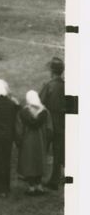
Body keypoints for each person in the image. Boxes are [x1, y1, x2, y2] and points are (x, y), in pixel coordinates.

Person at [15, 91, 53, 196]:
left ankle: (31, 187)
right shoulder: (45, 112)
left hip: (27, 143)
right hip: (41, 142)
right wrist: (48, 141)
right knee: (39, 163)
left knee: (29, 163)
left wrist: (19, 141)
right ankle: (39, 186)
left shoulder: (23, 113)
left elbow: (19, 130)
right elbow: (50, 129)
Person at [39, 57, 65, 189]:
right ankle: (56, 179)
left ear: (53, 71)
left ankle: (36, 178)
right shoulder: (66, 86)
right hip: (63, 124)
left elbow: (39, 103)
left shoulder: (49, 86)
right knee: (59, 152)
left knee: (42, 149)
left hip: (49, 124)